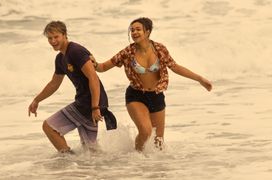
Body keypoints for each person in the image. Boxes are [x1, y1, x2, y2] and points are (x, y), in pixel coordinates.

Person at [91, 17, 212, 151]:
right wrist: (93, 63)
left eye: (138, 29)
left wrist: (199, 79)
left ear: (147, 32)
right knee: (146, 131)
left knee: (158, 141)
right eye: (132, 30)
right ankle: (136, 158)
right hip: (136, 95)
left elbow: (175, 67)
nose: (134, 33)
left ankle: (153, 169)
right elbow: (102, 67)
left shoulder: (159, 49)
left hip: (156, 95)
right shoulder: (127, 52)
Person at [28, 20, 116, 153]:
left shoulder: (76, 51)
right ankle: (100, 169)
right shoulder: (60, 59)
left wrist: (95, 107)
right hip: (89, 102)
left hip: (89, 103)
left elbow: (93, 78)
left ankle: (68, 160)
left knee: (49, 127)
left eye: (56, 37)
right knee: (90, 151)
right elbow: (54, 83)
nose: (53, 41)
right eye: (49, 38)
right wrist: (37, 100)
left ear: (64, 35)